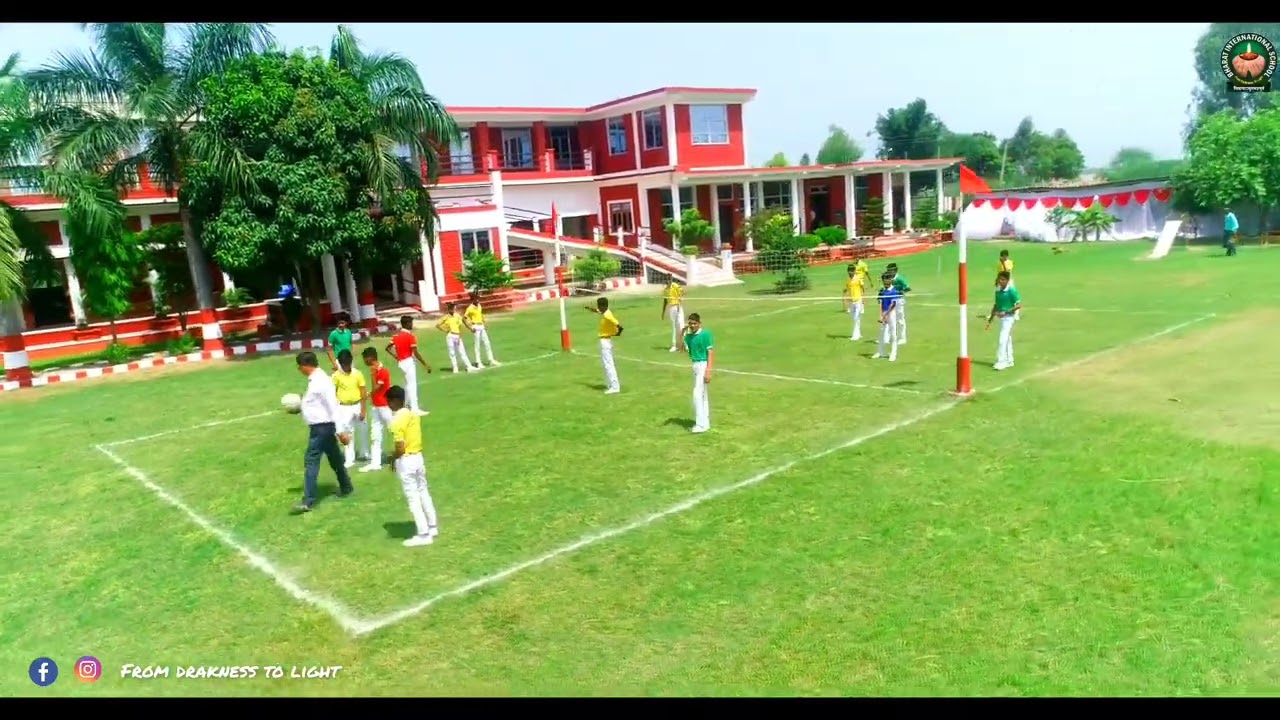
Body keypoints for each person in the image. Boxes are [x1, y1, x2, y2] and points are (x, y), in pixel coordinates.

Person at [293, 351, 355, 513]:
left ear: (305, 366)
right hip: (323, 428)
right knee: (335, 459)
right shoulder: (316, 380)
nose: (299, 370)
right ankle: (346, 486)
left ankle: (308, 500)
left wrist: (341, 431)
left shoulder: (320, 381)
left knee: (311, 461)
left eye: (300, 367)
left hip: (321, 429)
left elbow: (333, 406)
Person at [385, 385, 439, 548]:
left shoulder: (396, 421)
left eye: (389, 401)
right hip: (418, 457)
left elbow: (400, 448)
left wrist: (392, 459)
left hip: (407, 460)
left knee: (413, 497)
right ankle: (432, 526)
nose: (388, 405)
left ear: (395, 401)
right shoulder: (412, 414)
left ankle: (423, 534)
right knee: (423, 491)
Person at [385, 316, 431, 416]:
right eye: (410, 323)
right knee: (412, 385)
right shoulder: (410, 336)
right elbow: (416, 353)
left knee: (407, 385)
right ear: (406, 324)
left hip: (401, 362)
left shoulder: (396, 336)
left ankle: (405, 406)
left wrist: (396, 357)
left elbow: (387, 348)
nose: (412, 325)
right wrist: (425, 364)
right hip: (409, 361)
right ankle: (415, 409)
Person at [331, 349, 369, 469]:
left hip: (357, 404)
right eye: (343, 365)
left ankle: (365, 452)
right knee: (348, 432)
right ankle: (349, 458)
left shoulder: (357, 373)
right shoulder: (336, 376)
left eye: (347, 364)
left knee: (363, 429)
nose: (346, 367)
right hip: (344, 407)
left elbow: (363, 391)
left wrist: (363, 409)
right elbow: (332, 391)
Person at [359, 347, 393, 473]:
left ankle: (405, 454)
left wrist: (373, 375)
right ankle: (375, 463)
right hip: (376, 407)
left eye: (365, 358)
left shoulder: (383, 371)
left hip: (385, 407)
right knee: (375, 435)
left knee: (394, 431)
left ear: (370, 358)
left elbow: (376, 388)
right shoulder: (376, 370)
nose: (364, 361)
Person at [584, 296, 622, 394]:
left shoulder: (607, 315)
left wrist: (617, 333)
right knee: (606, 364)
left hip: (605, 341)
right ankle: (612, 385)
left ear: (603, 306)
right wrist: (590, 309)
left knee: (608, 364)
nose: (598, 308)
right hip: (605, 341)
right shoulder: (606, 312)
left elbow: (618, 325)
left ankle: (615, 387)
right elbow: (598, 311)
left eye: (599, 306)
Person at [986, 270, 1022, 371]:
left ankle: (1001, 361)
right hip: (1001, 318)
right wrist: (991, 318)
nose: (1001, 281)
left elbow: (1019, 305)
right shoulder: (997, 291)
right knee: (1007, 338)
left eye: (1003, 279)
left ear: (1007, 280)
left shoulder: (1011, 291)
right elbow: (996, 305)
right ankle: (1010, 360)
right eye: (999, 279)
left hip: (1009, 318)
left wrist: (1006, 312)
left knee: (1002, 339)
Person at [684, 312, 714, 434]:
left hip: (702, 364)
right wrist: (682, 332)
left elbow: (710, 353)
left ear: (699, 323)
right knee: (702, 395)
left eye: (695, 323)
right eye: (690, 323)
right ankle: (705, 423)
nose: (692, 326)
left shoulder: (706, 334)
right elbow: (680, 347)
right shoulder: (689, 337)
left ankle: (700, 424)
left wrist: (708, 370)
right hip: (695, 366)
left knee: (697, 394)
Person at [436, 303, 478, 373]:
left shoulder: (457, 316)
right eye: (452, 309)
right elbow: (437, 325)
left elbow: (460, 326)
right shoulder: (446, 317)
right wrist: (445, 330)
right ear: (449, 309)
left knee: (462, 352)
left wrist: (460, 336)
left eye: (454, 308)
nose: (453, 310)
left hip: (457, 335)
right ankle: (455, 368)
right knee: (452, 352)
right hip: (450, 336)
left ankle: (469, 366)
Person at [464, 294, 500, 368]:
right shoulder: (470, 308)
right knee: (477, 345)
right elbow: (464, 318)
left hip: (481, 326)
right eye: (476, 298)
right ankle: (478, 362)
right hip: (476, 326)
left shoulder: (479, 305)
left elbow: (481, 314)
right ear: (473, 299)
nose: (478, 300)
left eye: (478, 298)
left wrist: (484, 322)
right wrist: (470, 327)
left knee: (487, 343)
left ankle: (491, 360)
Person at [873, 272, 901, 362]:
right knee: (881, 334)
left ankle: (893, 353)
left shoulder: (894, 291)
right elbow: (880, 302)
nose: (885, 282)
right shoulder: (882, 291)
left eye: (886, 280)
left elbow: (893, 304)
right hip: (884, 313)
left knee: (893, 334)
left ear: (890, 280)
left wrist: (885, 315)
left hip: (891, 313)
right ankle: (880, 352)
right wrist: (881, 315)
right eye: (883, 281)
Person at [842, 263, 871, 341]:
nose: (850, 272)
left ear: (854, 271)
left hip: (858, 300)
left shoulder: (858, 279)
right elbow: (848, 290)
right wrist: (846, 297)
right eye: (849, 271)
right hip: (851, 302)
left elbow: (863, 288)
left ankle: (855, 335)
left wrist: (864, 298)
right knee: (854, 317)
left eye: (852, 271)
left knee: (856, 318)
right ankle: (859, 333)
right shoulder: (848, 281)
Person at [886, 263, 911, 344]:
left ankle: (902, 338)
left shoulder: (900, 278)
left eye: (891, 270)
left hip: (899, 300)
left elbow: (908, 287)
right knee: (890, 319)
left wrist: (902, 291)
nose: (889, 272)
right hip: (890, 300)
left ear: (895, 270)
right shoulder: (889, 278)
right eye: (888, 270)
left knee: (900, 319)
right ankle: (889, 337)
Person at [660, 279, 685, 353]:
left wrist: (679, 300)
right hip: (671, 308)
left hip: (678, 306)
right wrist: (663, 312)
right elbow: (665, 301)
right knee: (674, 326)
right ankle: (674, 346)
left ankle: (686, 344)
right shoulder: (665, 290)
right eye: (666, 281)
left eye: (669, 280)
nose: (668, 282)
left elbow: (682, 292)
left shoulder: (675, 286)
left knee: (681, 326)